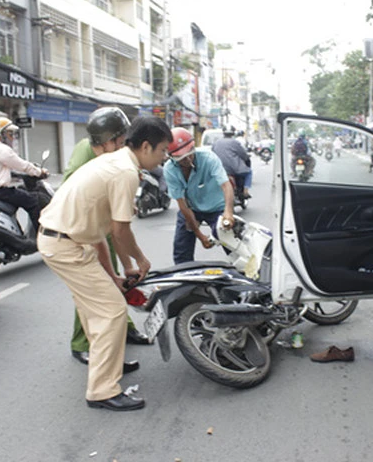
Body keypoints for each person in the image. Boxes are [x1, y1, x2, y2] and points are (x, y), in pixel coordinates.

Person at [38, 115, 171, 412]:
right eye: (162, 150)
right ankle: (101, 390)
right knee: (111, 311)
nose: (164, 157)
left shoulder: (116, 163)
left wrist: (115, 274)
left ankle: (107, 366)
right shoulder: (124, 171)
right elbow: (120, 231)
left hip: (64, 240)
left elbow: (103, 231)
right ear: (146, 146)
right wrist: (140, 259)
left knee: (94, 310)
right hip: (65, 245)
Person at [63, 107, 151, 368]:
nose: (123, 146)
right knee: (96, 286)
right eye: (120, 141)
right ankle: (81, 343)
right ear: (106, 141)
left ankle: (125, 328)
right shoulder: (85, 151)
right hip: (82, 228)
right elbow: (73, 191)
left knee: (116, 281)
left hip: (104, 223)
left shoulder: (116, 152)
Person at [163, 127, 235, 264]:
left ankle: (244, 273)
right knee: (181, 248)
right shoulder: (169, 169)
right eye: (181, 158)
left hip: (216, 207)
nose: (188, 159)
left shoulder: (209, 158)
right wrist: (199, 235)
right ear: (171, 157)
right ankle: (185, 278)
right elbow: (182, 204)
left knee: (231, 241)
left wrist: (228, 212)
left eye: (190, 154)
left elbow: (226, 186)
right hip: (192, 208)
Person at [0, 117, 48, 231]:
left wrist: (14, 175)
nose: (12, 137)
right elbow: (23, 166)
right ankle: (42, 235)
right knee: (34, 201)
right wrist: (39, 172)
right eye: (9, 134)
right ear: (1, 134)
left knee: (22, 195)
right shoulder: (2, 149)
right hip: (0, 193)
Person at [212, 125, 252, 199]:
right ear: (233, 133)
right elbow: (243, 155)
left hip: (219, 169)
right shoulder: (235, 142)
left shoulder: (216, 143)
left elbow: (213, 154)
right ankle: (245, 191)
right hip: (234, 169)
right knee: (249, 172)